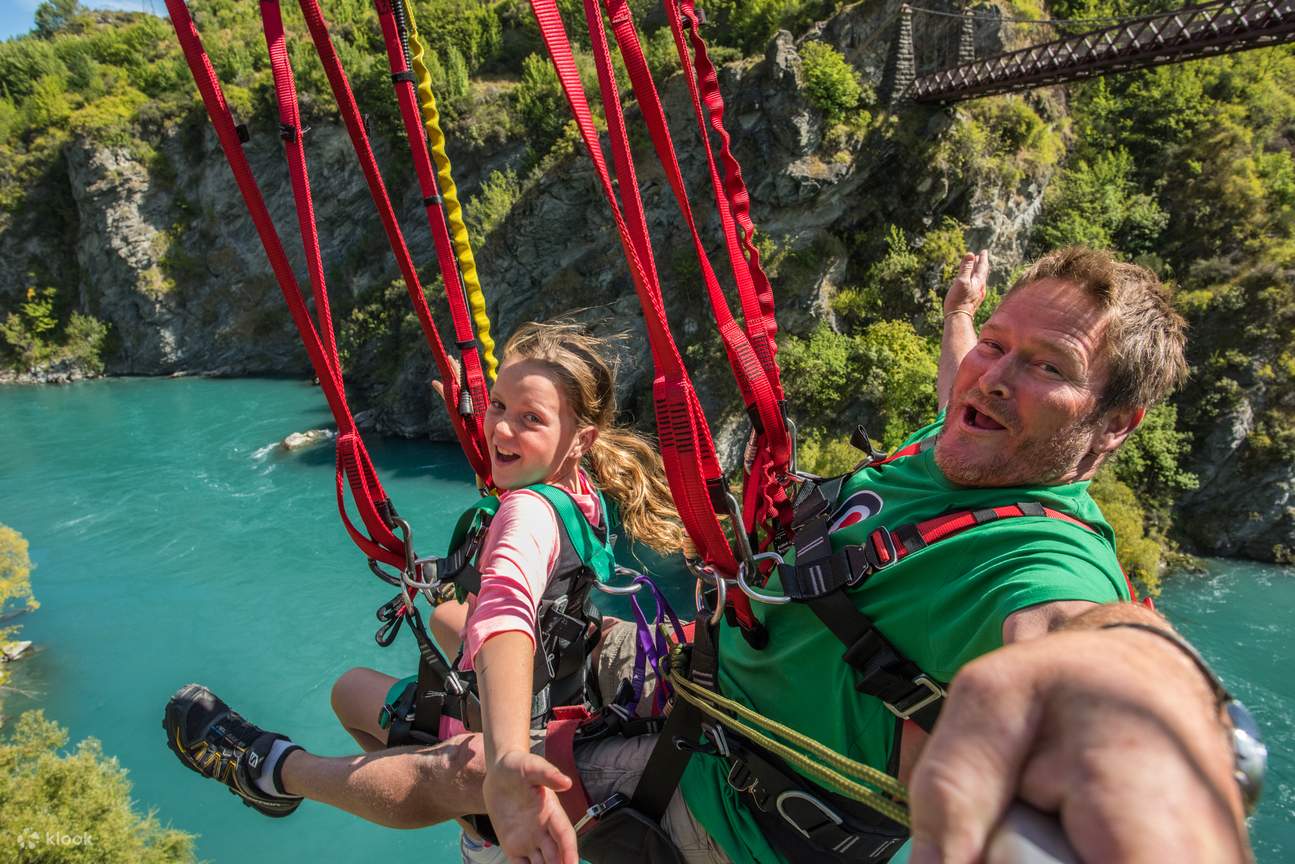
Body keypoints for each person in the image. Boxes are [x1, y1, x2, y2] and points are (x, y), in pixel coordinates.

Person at [162, 320, 686, 862]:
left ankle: (278, 773)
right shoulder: (577, 487)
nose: (502, 430)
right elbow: (516, 524)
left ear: (580, 438)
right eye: (499, 408)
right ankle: (444, 775)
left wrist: (506, 759)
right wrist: (486, 415)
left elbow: (506, 610)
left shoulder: (526, 513)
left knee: (350, 691)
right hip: (562, 683)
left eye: (530, 418)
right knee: (445, 618)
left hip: (517, 717)